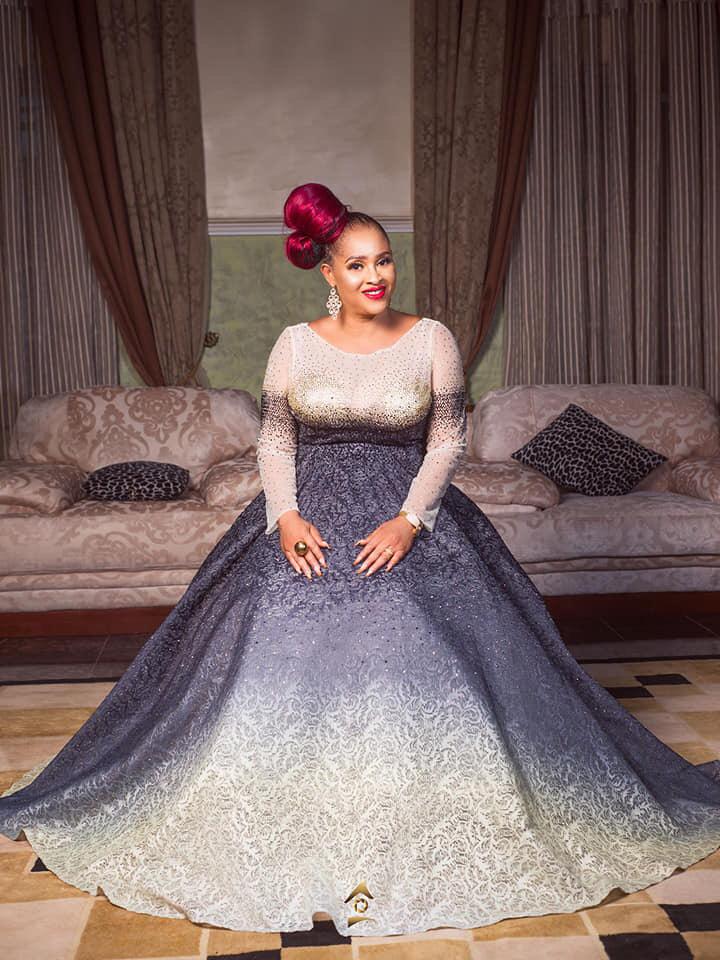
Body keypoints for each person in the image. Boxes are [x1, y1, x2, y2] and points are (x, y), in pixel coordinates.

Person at [1, 181, 719, 939]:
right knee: (272, 620)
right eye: (357, 265)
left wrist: (410, 522)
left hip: (408, 508)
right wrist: (285, 517)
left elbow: (447, 439)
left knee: (409, 618)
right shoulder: (295, 344)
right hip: (307, 510)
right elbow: (275, 440)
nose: (375, 277)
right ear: (328, 273)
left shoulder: (432, 338)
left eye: (384, 261)